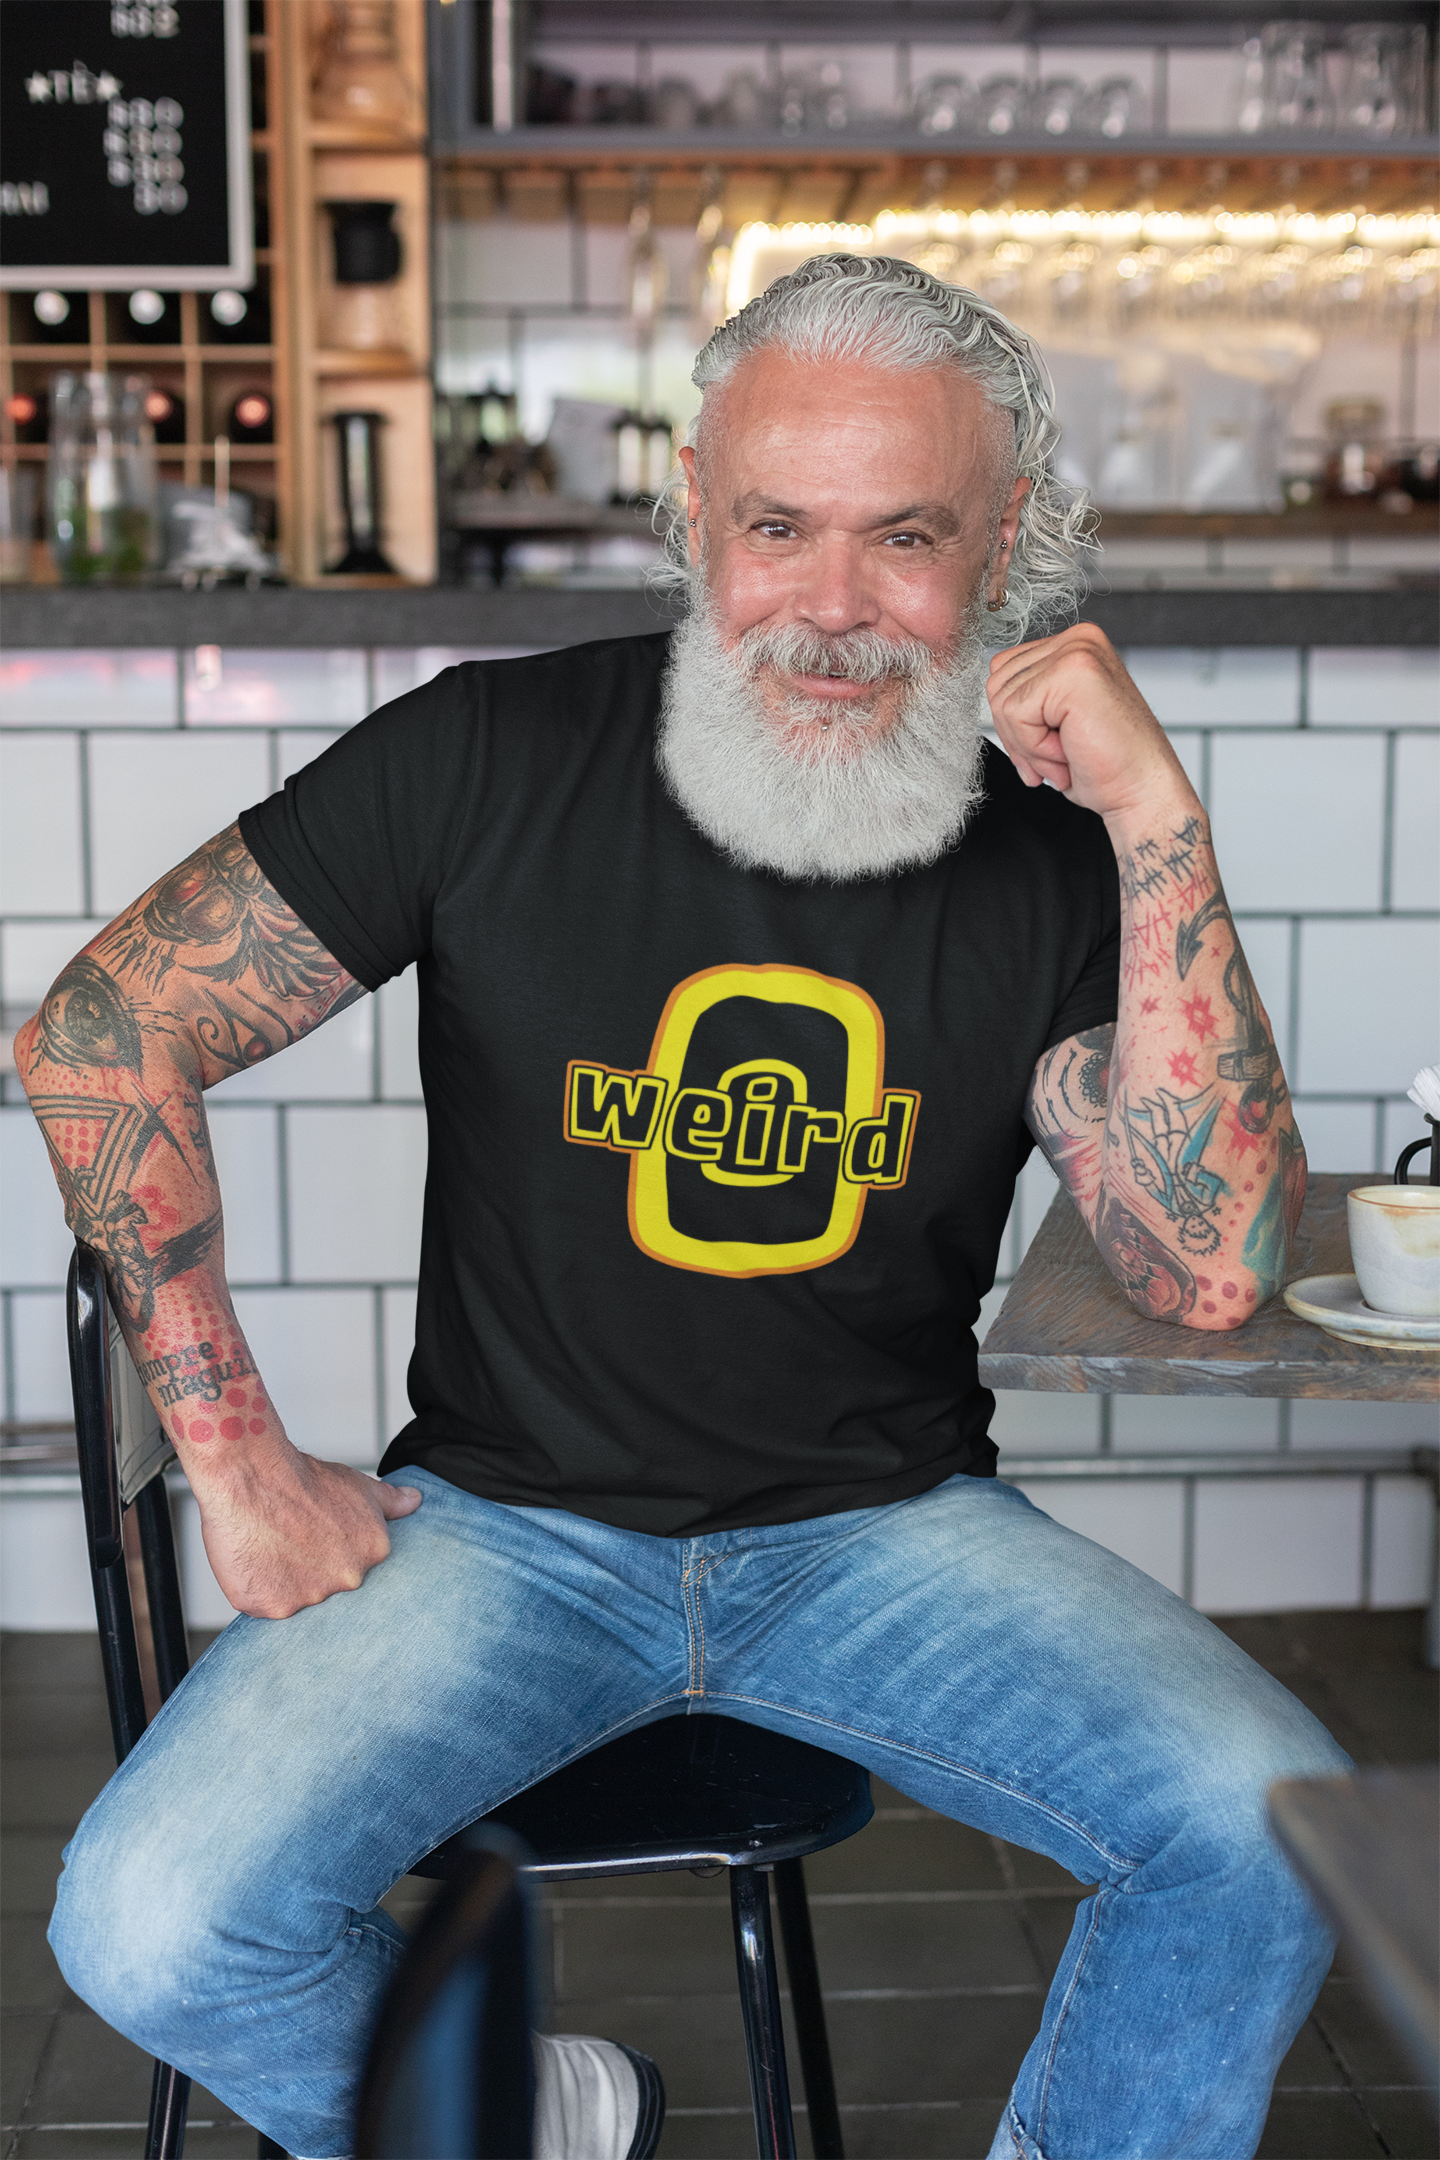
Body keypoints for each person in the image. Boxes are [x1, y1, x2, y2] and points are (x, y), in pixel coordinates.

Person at [20, 255, 1344, 2160]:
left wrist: (1162, 827)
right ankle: (536, 2111)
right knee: (147, 1924)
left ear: (1013, 550)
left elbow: (1210, 1272)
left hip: (887, 1535)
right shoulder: (488, 754)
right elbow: (104, 1023)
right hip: (501, 1531)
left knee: (1270, 1827)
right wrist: (236, 1458)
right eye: (774, 528)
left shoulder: (1057, 854)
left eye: (907, 536)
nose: (828, 607)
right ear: (689, 523)